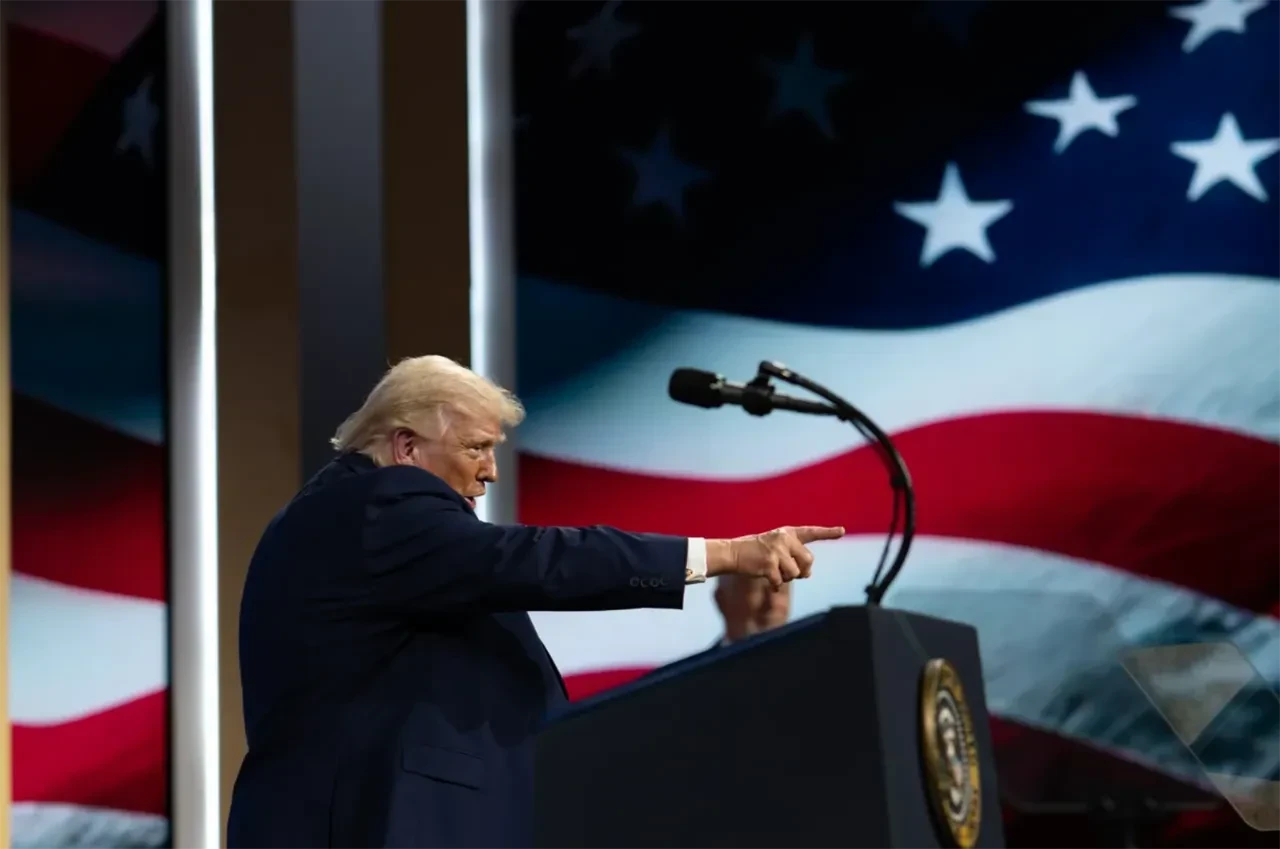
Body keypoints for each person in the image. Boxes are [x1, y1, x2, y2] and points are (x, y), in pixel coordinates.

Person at [226, 355, 845, 849]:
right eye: (475, 448)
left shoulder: (389, 546)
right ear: (407, 448)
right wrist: (726, 553)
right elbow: (542, 560)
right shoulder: (379, 506)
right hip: (386, 824)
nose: (490, 471)